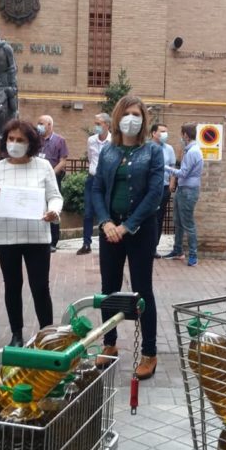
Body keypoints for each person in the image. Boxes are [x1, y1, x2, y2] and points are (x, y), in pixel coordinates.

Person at [91, 95, 165, 380]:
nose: (131, 118)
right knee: (108, 288)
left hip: (140, 230)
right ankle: (109, 345)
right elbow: (97, 189)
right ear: (117, 117)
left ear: (143, 119)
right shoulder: (108, 152)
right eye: (127, 113)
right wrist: (107, 221)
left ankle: (149, 352)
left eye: (137, 113)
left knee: (142, 289)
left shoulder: (153, 152)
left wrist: (128, 226)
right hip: (110, 230)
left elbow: (154, 194)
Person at [0, 119, 63, 347]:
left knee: (40, 286)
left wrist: (53, 211)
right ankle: (16, 333)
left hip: (36, 236)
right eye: (11, 139)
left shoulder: (43, 166)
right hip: (6, 237)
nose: (14, 143)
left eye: (20, 140)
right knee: (12, 285)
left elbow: (55, 195)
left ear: (31, 143)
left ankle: (48, 335)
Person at [162, 123, 204, 267]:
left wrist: (165, 167)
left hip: (188, 191)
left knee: (188, 223)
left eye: (181, 134)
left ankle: (193, 255)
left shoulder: (193, 152)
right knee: (177, 221)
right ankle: (177, 250)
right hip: (183, 189)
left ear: (185, 135)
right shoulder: (189, 150)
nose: (181, 137)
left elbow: (183, 173)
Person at [78, 113, 110, 255]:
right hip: (92, 179)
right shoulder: (91, 140)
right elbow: (91, 159)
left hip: (107, 181)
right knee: (88, 212)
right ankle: (86, 243)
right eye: (95, 123)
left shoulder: (114, 141)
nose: (96, 126)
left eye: (99, 123)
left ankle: (107, 243)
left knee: (107, 212)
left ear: (107, 125)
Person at [36, 114, 68, 252]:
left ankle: (53, 242)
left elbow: (63, 161)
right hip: (37, 179)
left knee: (53, 207)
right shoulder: (36, 140)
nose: (39, 126)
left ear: (49, 125)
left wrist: (51, 173)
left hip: (54, 178)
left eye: (41, 123)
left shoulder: (60, 140)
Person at [151, 123, 176, 258]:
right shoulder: (147, 147)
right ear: (153, 133)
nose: (165, 134)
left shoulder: (169, 149)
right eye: (162, 131)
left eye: (166, 131)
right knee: (149, 217)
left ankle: (154, 247)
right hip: (150, 188)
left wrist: (172, 184)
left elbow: (172, 167)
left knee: (159, 218)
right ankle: (145, 245)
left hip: (164, 187)